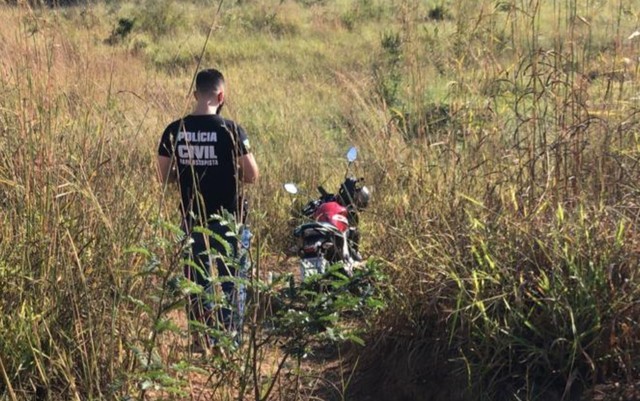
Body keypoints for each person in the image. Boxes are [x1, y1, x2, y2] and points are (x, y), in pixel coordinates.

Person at [156, 68, 259, 352]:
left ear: (195, 94)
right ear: (221, 95)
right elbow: (251, 175)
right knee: (231, 283)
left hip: (192, 219)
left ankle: (202, 339)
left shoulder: (174, 130)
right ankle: (229, 343)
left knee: (197, 281)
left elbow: (164, 177)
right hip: (229, 219)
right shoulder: (231, 129)